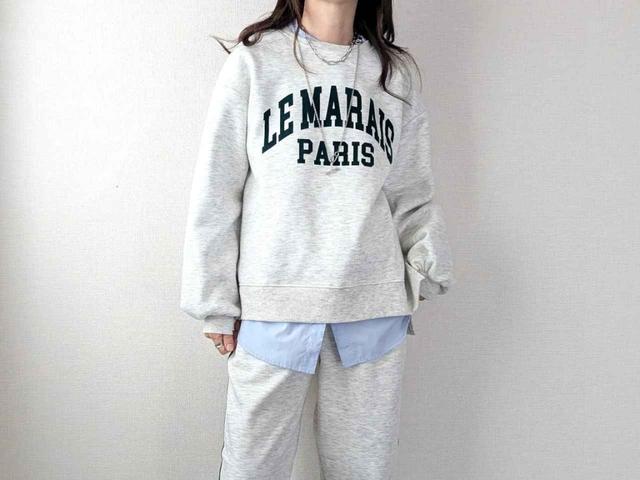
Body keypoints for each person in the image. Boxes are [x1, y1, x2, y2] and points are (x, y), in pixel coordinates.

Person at [180, 1, 455, 478]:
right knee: (251, 469)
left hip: (373, 305)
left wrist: (426, 266)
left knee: (362, 470)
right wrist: (213, 301)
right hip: (274, 303)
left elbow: (412, 190)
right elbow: (218, 190)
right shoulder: (254, 62)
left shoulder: (395, 73)